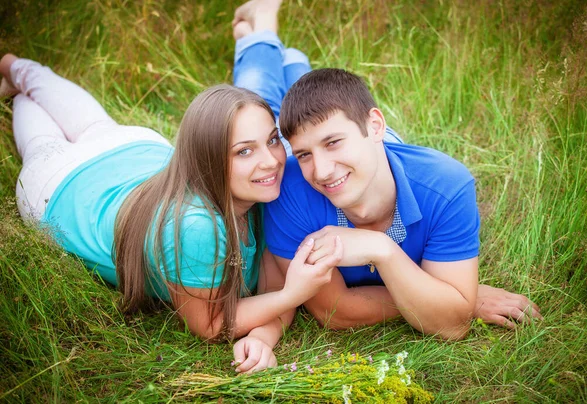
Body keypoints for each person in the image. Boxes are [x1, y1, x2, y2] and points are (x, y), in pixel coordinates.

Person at [0, 0, 344, 374]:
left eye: (272, 140)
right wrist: (292, 294)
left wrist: (266, 332)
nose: (271, 161)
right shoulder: (197, 227)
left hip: (135, 154)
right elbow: (212, 324)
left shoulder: (265, 189)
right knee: (42, 143)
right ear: (207, 156)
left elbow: (270, 295)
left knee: (94, 125)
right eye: (244, 151)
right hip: (61, 187)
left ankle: (17, 75)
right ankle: (13, 70)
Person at [261, 56, 543, 339]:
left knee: (316, 113)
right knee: (260, 109)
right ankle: (274, 51)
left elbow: (452, 326)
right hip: (324, 156)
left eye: (333, 143)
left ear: (375, 126)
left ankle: (282, 51)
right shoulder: (287, 188)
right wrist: (440, 296)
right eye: (305, 155)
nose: (321, 172)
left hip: (385, 156)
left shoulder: (447, 186)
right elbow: (333, 311)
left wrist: (381, 249)